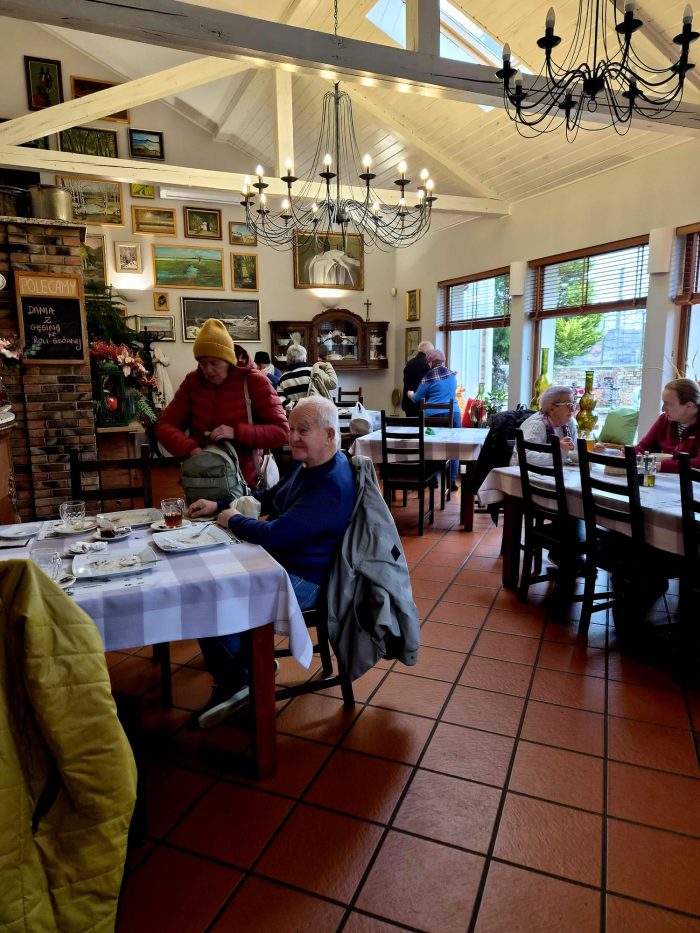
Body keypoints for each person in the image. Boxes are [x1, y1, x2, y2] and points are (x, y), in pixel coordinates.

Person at [188, 396, 355, 727]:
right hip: (281, 561)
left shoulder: (331, 484)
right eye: (291, 429)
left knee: (211, 596)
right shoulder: (307, 465)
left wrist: (233, 520)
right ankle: (249, 664)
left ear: (329, 435)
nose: (292, 437)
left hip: (309, 580)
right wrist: (219, 505)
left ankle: (239, 677)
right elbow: (268, 497)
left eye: (302, 430)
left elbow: (275, 534)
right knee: (208, 580)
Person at [155, 318, 288, 489]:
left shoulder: (255, 382)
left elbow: (281, 432)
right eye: (202, 364)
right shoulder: (192, 382)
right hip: (202, 482)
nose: (208, 370)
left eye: (214, 363)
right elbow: (164, 426)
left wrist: (237, 432)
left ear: (229, 359)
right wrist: (190, 449)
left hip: (245, 485)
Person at [408, 348, 462, 490]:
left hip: (434, 416)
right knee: (454, 446)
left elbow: (417, 398)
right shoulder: (452, 375)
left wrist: (410, 394)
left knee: (431, 446)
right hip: (455, 414)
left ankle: (433, 479)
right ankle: (451, 481)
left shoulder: (429, 377)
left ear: (431, 362)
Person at [635, 377, 700, 472]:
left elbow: (698, 463)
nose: (663, 409)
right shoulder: (664, 420)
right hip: (663, 478)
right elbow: (642, 448)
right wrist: (627, 454)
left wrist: (659, 466)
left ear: (688, 406)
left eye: (668, 404)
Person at [510, 385, 579, 467]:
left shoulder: (569, 422)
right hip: (522, 472)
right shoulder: (536, 425)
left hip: (556, 471)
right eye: (568, 404)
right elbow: (525, 457)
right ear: (551, 408)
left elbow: (575, 450)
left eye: (573, 404)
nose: (572, 409)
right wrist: (558, 451)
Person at [277, 344, 337, 411]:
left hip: (296, 414)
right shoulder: (313, 371)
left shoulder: (283, 378)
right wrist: (327, 365)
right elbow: (332, 384)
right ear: (304, 357)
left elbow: (280, 400)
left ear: (288, 358)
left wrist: (295, 406)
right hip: (316, 412)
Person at [402, 339, 433, 416]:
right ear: (429, 352)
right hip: (420, 404)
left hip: (408, 404)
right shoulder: (426, 365)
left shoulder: (409, 363)